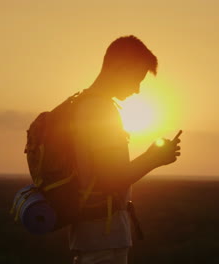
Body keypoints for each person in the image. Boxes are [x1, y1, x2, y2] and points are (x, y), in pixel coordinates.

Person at [68, 35, 182, 264]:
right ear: (121, 68)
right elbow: (112, 179)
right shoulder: (101, 112)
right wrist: (154, 159)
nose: (138, 89)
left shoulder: (79, 105)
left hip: (88, 235)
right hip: (105, 240)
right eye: (137, 78)